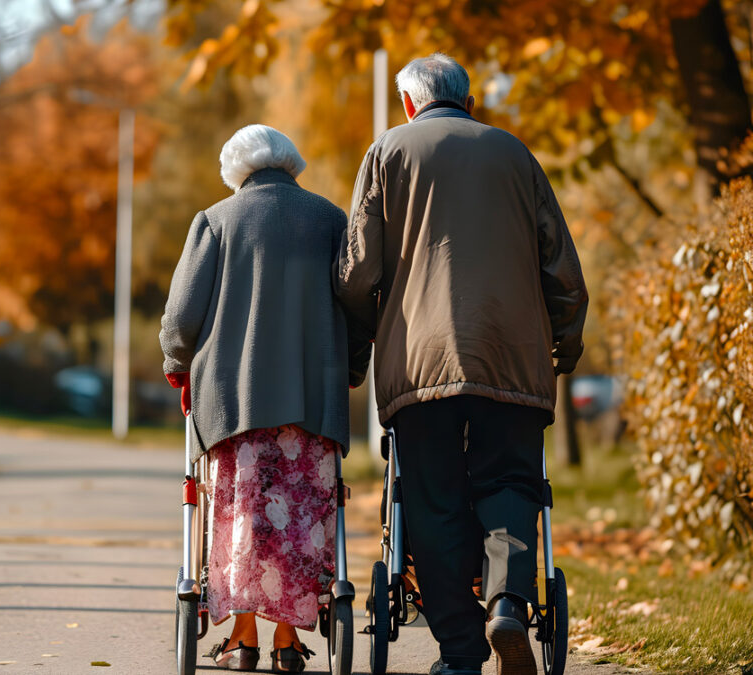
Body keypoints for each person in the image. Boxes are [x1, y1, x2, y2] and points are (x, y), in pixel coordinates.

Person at [335, 54, 588, 675]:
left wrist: (360, 346)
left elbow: (357, 271)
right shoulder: (516, 154)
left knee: (434, 499)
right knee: (511, 481)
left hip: (422, 364)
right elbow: (561, 268)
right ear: (467, 99)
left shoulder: (388, 154)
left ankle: (461, 649)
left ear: (409, 104)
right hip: (511, 355)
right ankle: (507, 599)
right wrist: (564, 343)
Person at [160, 124, 368, 673]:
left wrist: (175, 363)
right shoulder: (330, 221)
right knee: (301, 517)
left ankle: (242, 638)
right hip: (312, 400)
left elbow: (182, 319)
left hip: (235, 403)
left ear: (237, 169)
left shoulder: (215, 222)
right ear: (289, 162)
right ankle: (285, 641)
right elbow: (355, 306)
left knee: (243, 515)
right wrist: (352, 367)